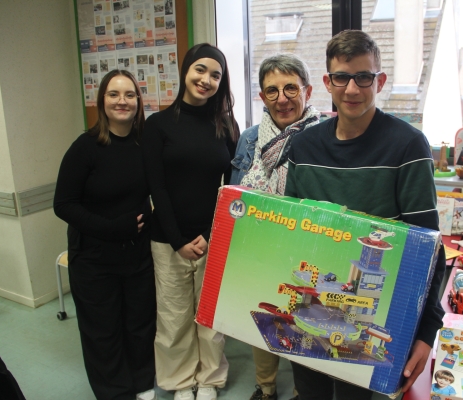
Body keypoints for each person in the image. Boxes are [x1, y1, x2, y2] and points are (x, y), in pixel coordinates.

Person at [284, 30, 446, 399]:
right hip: (312, 313)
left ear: (380, 81)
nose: (352, 89)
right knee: (311, 392)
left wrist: (426, 332)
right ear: (327, 82)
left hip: (377, 315)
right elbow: (291, 234)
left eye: (364, 77)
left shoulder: (407, 145)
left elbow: (429, 248)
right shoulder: (304, 145)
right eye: (341, 77)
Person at [142, 43, 239, 400]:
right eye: (200, 70)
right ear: (185, 71)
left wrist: (210, 233)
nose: (207, 79)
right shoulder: (158, 125)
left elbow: (230, 189)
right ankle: (181, 380)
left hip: (212, 236)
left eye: (216, 74)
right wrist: (179, 240)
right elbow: (157, 189)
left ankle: (210, 378)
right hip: (168, 238)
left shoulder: (226, 125)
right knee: (174, 317)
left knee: (211, 317)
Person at [54, 69, 156, 400]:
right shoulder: (85, 147)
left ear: (139, 102)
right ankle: (114, 392)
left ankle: (142, 382)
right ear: (102, 101)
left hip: (137, 255)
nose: (122, 101)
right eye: (114, 94)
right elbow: (64, 205)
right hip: (94, 259)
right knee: (103, 331)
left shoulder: (145, 144)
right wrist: (113, 228)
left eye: (129, 95)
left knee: (140, 325)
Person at [230, 54, 319, 400]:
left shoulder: (323, 136)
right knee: (263, 314)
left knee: (304, 320)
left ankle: (301, 389)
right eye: (272, 91)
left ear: (307, 91)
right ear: (262, 97)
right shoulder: (250, 139)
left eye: (290, 88)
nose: (282, 98)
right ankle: (265, 387)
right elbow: (235, 195)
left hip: (307, 245)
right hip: (261, 242)